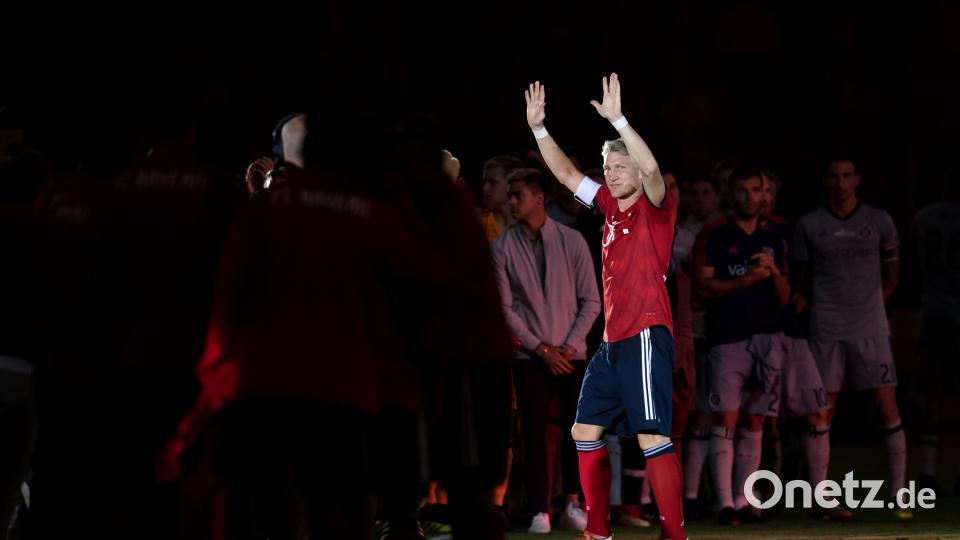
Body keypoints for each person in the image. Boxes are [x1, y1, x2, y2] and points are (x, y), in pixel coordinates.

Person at [524, 73, 685, 540]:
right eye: (607, 167)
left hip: (646, 335)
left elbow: (652, 171)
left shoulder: (655, 208)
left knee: (652, 436)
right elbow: (565, 175)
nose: (611, 173)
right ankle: (598, 531)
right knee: (584, 431)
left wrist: (619, 120)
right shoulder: (609, 208)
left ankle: (675, 535)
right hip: (613, 344)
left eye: (619, 166)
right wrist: (539, 129)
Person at [793, 156, 908, 519]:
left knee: (885, 405)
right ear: (825, 181)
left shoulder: (878, 221)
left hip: (870, 327)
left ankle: (899, 493)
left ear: (857, 180)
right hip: (827, 328)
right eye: (834, 176)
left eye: (846, 176)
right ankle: (819, 497)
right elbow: (802, 279)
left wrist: (871, 305)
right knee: (821, 410)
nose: (840, 183)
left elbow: (892, 274)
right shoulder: (810, 224)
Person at [492, 167, 601, 533]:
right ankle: (540, 509)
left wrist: (567, 346)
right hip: (530, 355)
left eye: (518, 195)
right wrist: (540, 349)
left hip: (571, 353)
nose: (511, 201)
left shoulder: (572, 240)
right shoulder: (502, 247)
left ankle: (572, 501)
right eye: (510, 194)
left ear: (539, 198)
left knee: (577, 430)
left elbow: (591, 300)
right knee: (533, 434)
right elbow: (504, 308)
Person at [693, 167, 789, 524]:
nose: (750, 197)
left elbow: (785, 295)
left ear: (765, 194)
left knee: (755, 420)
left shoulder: (775, 237)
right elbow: (703, 288)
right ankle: (724, 503)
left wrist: (773, 272)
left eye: (756, 190)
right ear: (731, 194)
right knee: (725, 419)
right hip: (727, 338)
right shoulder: (715, 234)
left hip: (767, 339)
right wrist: (747, 280)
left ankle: (746, 499)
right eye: (743, 191)